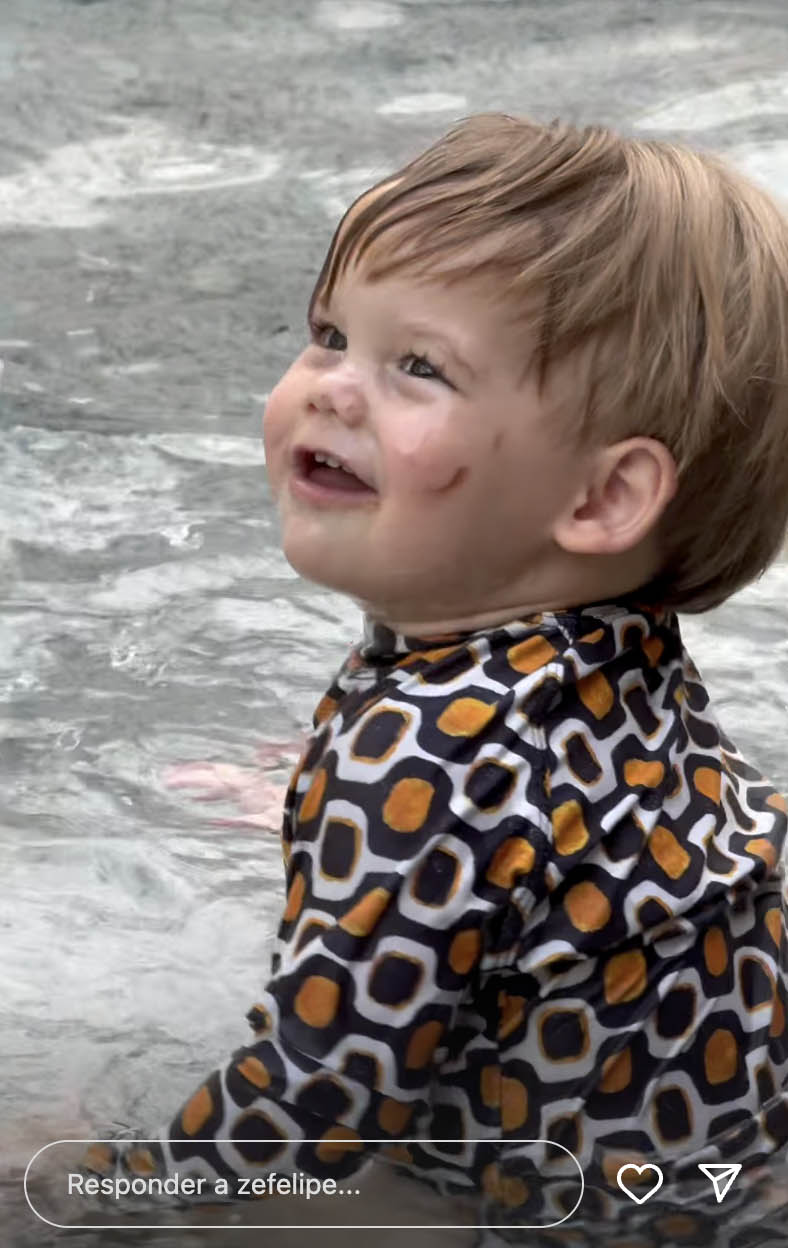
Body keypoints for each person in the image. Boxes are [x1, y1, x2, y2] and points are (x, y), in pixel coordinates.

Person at [54, 114, 788, 1241]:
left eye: (417, 366)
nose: (331, 388)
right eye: (329, 333)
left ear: (596, 500)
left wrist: (86, 1183)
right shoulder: (617, 662)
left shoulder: (424, 758)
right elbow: (569, 848)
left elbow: (310, 1108)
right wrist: (375, 840)